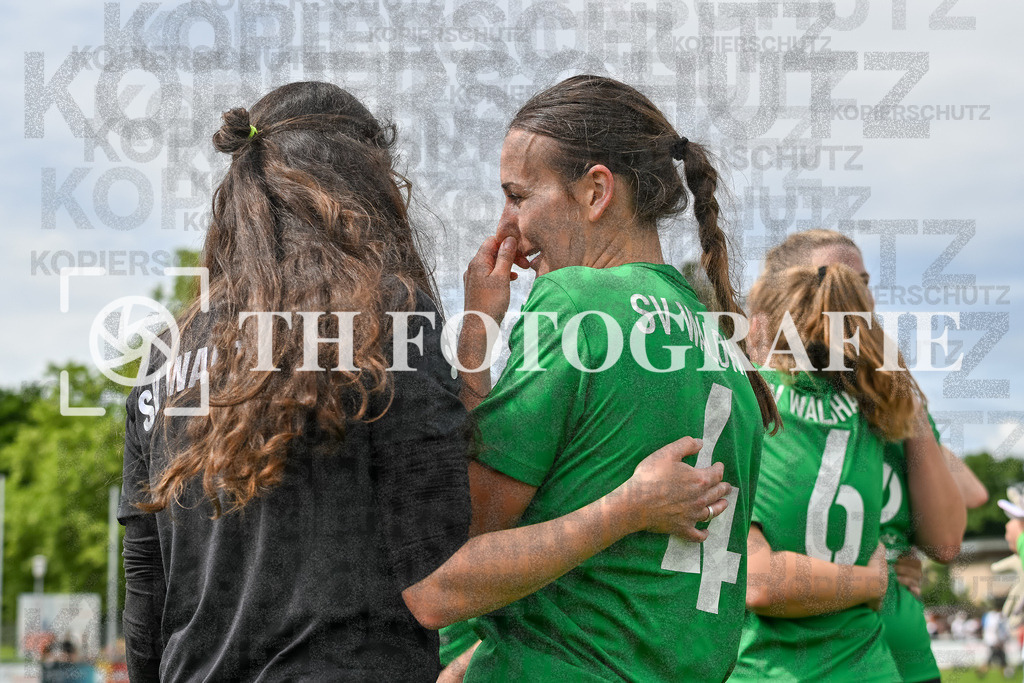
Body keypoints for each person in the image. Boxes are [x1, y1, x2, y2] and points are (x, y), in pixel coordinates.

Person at [118, 81, 733, 682]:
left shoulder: (164, 356)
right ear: (365, 187)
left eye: (518, 195)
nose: (508, 223)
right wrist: (625, 507)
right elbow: (442, 563)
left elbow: (145, 586)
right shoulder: (384, 320)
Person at [438, 74, 779, 681]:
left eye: (518, 195)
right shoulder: (725, 344)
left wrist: (475, 338)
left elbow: (456, 539)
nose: (506, 224)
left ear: (597, 191)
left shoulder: (576, 301)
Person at [756, 229, 983, 682]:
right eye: (841, 283)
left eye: (861, 283)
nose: (852, 300)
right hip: (800, 654)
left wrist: (904, 399)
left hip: (897, 657)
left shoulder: (887, 401)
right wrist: (866, 579)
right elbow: (758, 576)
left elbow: (945, 541)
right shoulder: (764, 403)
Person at [730, 257, 942, 681]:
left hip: (770, 670)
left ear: (760, 325)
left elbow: (761, 581)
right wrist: (871, 581)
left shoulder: (750, 402)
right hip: (869, 667)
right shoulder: (877, 407)